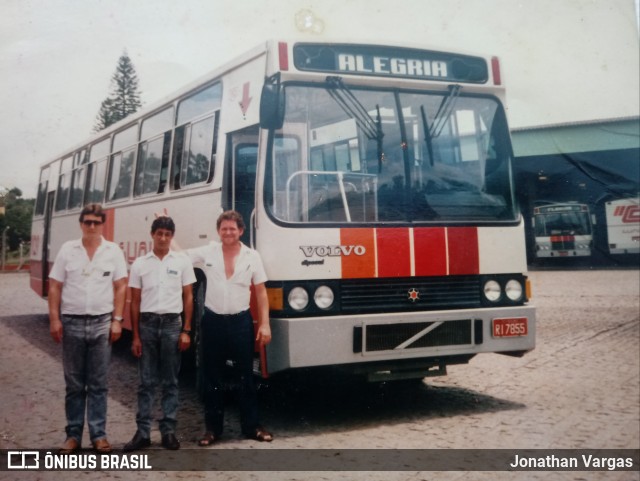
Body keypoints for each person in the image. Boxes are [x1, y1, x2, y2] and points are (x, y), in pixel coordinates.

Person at [186, 210, 273, 445]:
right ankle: (212, 430)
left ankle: (252, 426)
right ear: (218, 231)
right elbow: (179, 255)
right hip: (213, 322)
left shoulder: (252, 256)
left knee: (245, 376)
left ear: (241, 231)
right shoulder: (208, 252)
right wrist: (167, 232)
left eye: (232, 229)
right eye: (224, 228)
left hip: (240, 323)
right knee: (212, 378)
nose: (228, 232)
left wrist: (264, 324)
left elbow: (261, 292)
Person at [48, 203, 128, 455]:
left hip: (102, 323)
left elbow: (121, 286)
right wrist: (54, 319)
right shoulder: (67, 250)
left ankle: (98, 435)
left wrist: (117, 319)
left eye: (96, 222)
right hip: (71, 322)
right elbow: (54, 286)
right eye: (87, 222)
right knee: (73, 384)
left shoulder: (112, 251)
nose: (91, 226)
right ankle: (72, 436)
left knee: (98, 383)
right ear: (81, 224)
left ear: (102, 224)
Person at [123, 216, 196, 451]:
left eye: (167, 234)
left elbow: (188, 296)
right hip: (147, 324)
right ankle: (142, 433)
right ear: (152, 235)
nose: (163, 238)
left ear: (172, 236)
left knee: (171, 381)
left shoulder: (182, 262)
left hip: (173, 324)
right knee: (146, 381)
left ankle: (168, 431)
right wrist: (135, 335)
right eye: (159, 233)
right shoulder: (140, 264)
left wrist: (186, 329)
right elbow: (134, 301)